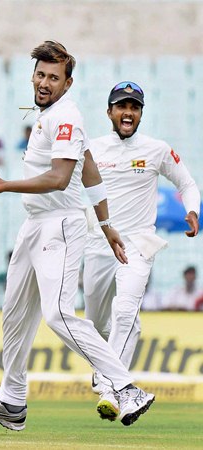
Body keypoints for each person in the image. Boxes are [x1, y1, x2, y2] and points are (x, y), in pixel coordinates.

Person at [0, 41, 154, 431]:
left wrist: (4, 184)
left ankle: (125, 387)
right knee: (15, 314)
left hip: (59, 225)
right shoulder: (48, 115)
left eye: (54, 77)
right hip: (35, 224)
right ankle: (12, 400)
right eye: (40, 74)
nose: (45, 83)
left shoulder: (66, 116)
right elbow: (90, 171)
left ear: (68, 83)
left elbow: (61, 178)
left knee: (59, 314)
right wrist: (106, 225)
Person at [83, 81, 200, 415]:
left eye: (134, 107)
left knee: (125, 311)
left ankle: (111, 388)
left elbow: (187, 183)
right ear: (109, 112)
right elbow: (63, 182)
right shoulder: (92, 149)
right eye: (122, 106)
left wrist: (192, 210)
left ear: (140, 113)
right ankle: (108, 369)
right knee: (95, 324)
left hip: (138, 245)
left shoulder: (156, 149)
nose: (128, 112)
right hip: (98, 244)